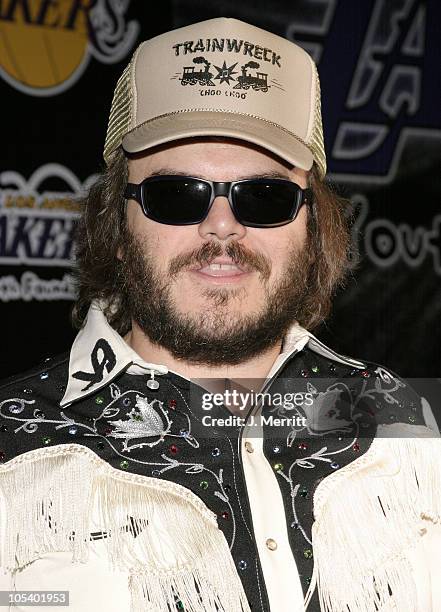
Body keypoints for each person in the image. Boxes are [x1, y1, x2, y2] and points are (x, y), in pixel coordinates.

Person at [0, 16, 439, 612]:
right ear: (115, 223)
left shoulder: (401, 432)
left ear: (315, 226)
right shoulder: (14, 451)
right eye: (176, 195)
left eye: (266, 196)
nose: (223, 226)